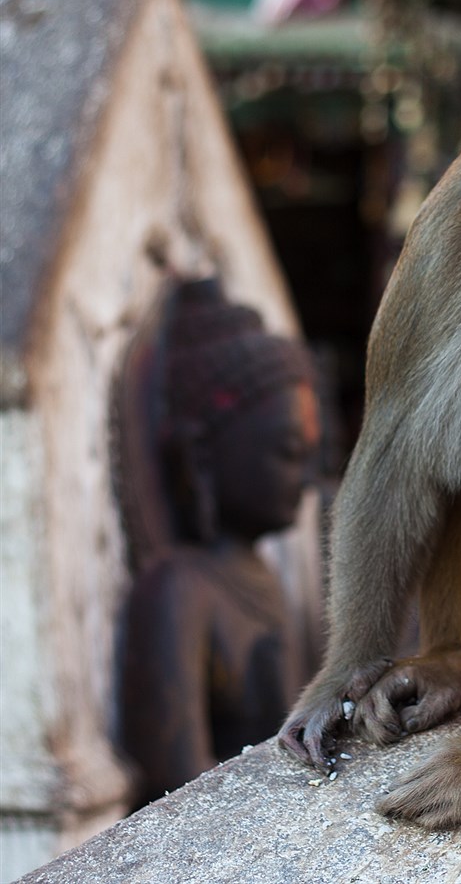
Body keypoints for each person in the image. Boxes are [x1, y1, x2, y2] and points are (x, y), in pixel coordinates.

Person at [116, 279, 320, 807]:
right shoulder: (178, 590)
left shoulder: (264, 579)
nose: (304, 478)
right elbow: (179, 786)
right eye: (286, 452)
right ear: (203, 452)